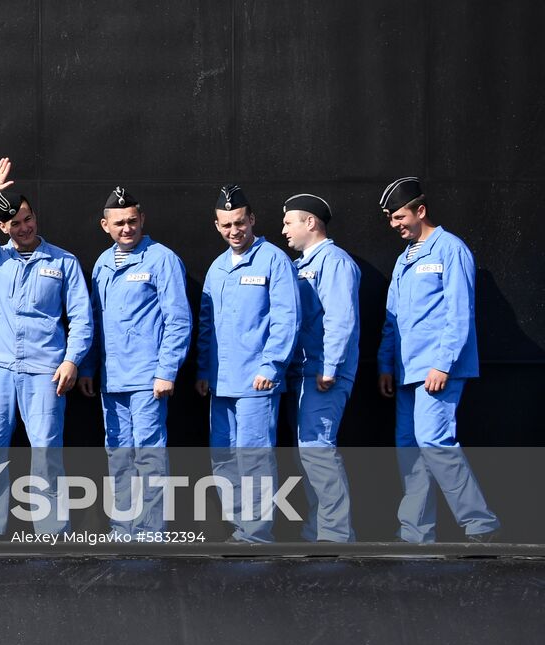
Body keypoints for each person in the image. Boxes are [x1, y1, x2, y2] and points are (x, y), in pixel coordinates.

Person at [0, 158, 92, 537]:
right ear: (3, 227)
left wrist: (71, 360)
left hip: (45, 370)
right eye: (15, 223)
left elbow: (81, 317)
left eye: (28, 218)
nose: (24, 227)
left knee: (46, 451)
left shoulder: (63, 261)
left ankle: (51, 530)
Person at [376, 177, 498, 543]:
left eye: (400, 216)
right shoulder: (404, 260)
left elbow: (460, 313)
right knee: (410, 451)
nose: (395, 224)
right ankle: (415, 532)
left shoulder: (450, 249)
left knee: (434, 441)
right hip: (407, 371)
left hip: (437, 370)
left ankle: (480, 522)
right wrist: (386, 364)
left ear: (421, 210)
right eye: (391, 218)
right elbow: (392, 319)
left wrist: (443, 363)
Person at [78, 187, 191, 536]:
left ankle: (151, 531)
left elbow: (178, 319)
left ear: (142, 219)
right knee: (118, 456)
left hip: (147, 379)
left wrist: (166, 371)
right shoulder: (101, 264)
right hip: (112, 380)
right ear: (105, 225)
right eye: (118, 223)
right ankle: (123, 529)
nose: (126, 228)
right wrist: (88, 367)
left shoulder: (162, 259)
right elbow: (95, 321)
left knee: (148, 457)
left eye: (131, 220)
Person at [196, 184, 299, 543]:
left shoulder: (274, 260)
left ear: (251, 219)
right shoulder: (217, 268)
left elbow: (286, 319)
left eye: (239, 222)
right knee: (223, 458)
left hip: (256, 381)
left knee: (254, 458)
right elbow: (206, 326)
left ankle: (256, 533)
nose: (234, 231)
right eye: (226, 226)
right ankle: (240, 527)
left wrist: (271, 367)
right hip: (222, 382)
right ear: (217, 226)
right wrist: (203, 372)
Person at [280, 193, 360, 543]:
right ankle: (318, 532)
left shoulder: (335, 261)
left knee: (318, 450)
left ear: (310, 222)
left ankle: (336, 536)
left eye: (288, 222)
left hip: (322, 374)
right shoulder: (302, 265)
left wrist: (329, 366)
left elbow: (341, 318)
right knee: (308, 455)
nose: (284, 230)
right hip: (303, 372)